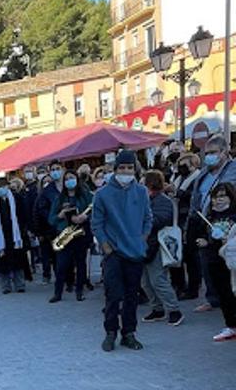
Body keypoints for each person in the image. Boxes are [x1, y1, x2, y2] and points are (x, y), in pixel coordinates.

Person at [90, 150, 153, 352]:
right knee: (113, 295)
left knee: (132, 296)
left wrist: (141, 240)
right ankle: (110, 332)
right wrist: (106, 247)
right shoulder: (102, 194)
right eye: (122, 168)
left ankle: (129, 333)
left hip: (135, 251)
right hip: (114, 253)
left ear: (135, 169)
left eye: (129, 168)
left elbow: (148, 219)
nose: (126, 171)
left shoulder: (142, 192)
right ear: (115, 169)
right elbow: (97, 223)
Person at [189, 135, 236, 314]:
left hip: (228, 219)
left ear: (224, 152)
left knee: (229, 259)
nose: (209, 156)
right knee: (208, 259)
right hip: (206, 219)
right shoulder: (204, 172)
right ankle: (213, 298)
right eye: (206, 153)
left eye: (213, 153)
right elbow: (198, 194)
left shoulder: (233, 169)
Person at [139, 170, 183, 327]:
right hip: (144, 245)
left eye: (143, 182)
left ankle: (174, 310)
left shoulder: (162, 200)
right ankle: (157, 309)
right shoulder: (146, 200)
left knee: (158, 280)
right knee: (145, 281)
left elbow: (161, 220)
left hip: (157, 245)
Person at [195, 182, 236, 341]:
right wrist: (205, 241)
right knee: (223, 294)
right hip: (214, 260)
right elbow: (204, 235)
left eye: (222, 196)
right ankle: (231, 325)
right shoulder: (209, 216)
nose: (218, 200)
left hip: (232, 261)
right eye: (215, 197)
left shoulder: (234, 216)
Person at [48, 170, 93, 303]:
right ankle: (58, 293)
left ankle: (79, 291)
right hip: (65, 234)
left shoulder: (85, 195)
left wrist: (85, 216)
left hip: (80, 234)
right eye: (66, 179)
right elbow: (51, 219)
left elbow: (95, 209)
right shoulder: (60, 199)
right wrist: (60, 215)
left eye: (72, 178)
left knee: (81, 264)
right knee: (61, 265)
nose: (69, 181)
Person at [171, 152, 202, 300]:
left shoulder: (197, 178)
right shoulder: (177, 178)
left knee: (191, 256)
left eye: (184, 164)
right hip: (176, 218)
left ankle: (192, 288)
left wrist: (176, 194)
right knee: (176, 254)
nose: (180, 167)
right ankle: (179, 285)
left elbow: (191, 197)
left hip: (189, 219)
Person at [0, 177, 29, 294]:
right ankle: (5, 286)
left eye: (4, 186)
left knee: (18, 260)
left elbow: (23, 214)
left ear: (8, 186)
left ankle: (20, 284)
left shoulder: (16, 198)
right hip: (0, 236)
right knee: (2, 261)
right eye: (0, 186)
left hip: (15, 234)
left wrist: (24, 230)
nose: (2, 189)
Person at [34, 160, 66, 285]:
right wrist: (55, 217)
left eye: (58, 169)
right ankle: (60, 281)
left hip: (72, 226)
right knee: (57, 257)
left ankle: (74, 280)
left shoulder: (69, 186)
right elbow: (40, 211)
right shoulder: (46, 192)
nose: (55, 172)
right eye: (53, 170)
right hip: (53, 229)